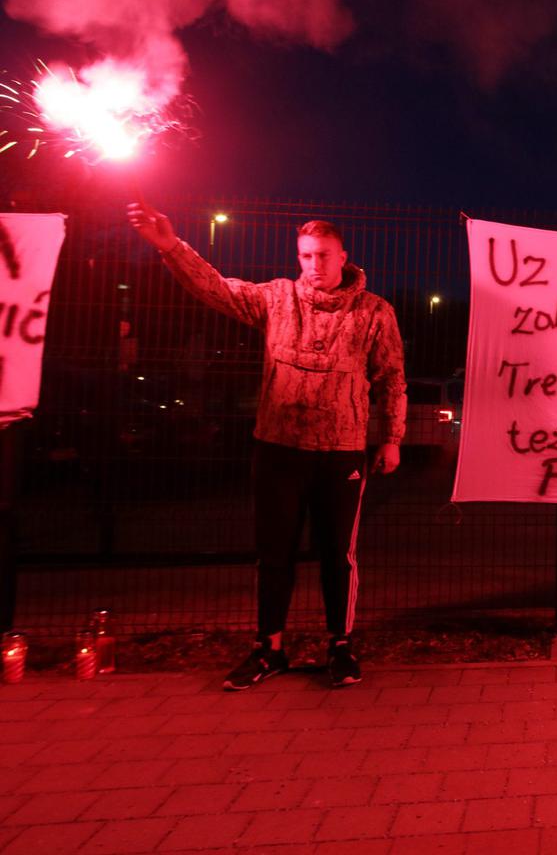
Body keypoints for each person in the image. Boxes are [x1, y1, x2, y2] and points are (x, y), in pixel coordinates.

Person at [128, 203, 406, 689]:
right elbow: (215, 289)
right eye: (305, 255)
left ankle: (340, 646)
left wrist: (391, 439)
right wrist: (170, 246)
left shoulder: (374, 313)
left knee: (337, 555)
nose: (314, 265)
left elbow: (391, 378)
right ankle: (268, 649)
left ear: (344, 256)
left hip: (341, 451)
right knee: (273, 553)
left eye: (323, 255)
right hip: (278, 449)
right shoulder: (276, 300)